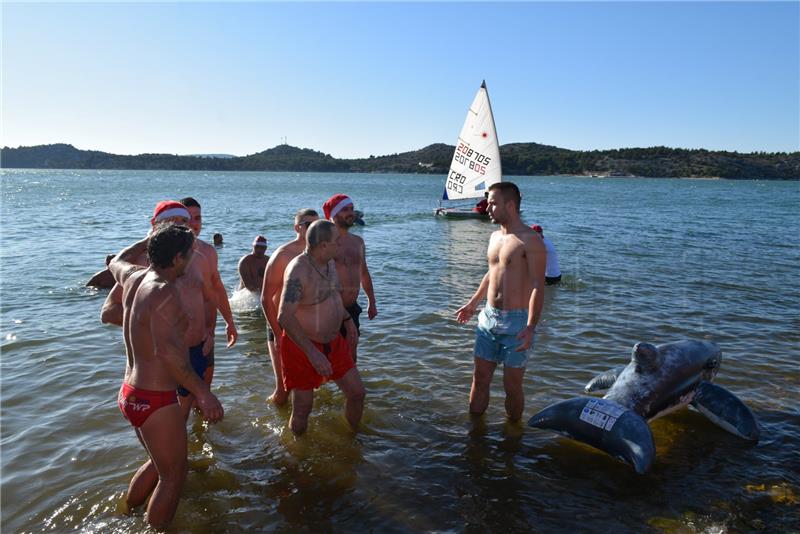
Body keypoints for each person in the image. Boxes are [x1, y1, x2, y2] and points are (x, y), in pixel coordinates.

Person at [109, 223, 224, 530]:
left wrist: (147, 241)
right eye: (189, 254)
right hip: (155, 399)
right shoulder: (164, 292)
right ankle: (154, 528)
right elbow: (170, 356)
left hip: (130, 392)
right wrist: (204, 393)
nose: (191, 259)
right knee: (173, 477)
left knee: (160, 466)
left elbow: (116, 259)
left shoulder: (134, 277)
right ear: (177, 258)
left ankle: (127, 514)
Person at [455, 182, 547, 421]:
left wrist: (530, 327)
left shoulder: (531, 240)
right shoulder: (495, 236)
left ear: (510, 205)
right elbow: (492, 273)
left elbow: (538, 285)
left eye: (493, 203)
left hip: (517, 323)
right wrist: (473, 303)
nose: (487, 208)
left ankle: (513, 434)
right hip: (488, 318)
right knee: (480, 378)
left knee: (512, 385)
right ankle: (474, 434)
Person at [277, 219, 365, 435]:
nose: (341, 245)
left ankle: (352, 437)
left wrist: (347, 319)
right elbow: (284, 316)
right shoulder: (299, 270)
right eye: (337, 241)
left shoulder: (329, 263)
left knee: (357, 393)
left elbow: (332, 296)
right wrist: (313, 353)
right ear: (323, 245)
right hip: (303, 346)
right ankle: (297, 452)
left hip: (334, 342)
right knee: (303, 408)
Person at [179, 197, 238, 394]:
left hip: (206, 336)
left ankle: (200, 425)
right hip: (176, 340)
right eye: (188, 219)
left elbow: (217, 289)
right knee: (178, 399)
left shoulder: (208, 252)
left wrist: (229, 321)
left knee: (204, 389)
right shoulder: (165, 255)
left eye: (198, 218)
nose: (194, 224)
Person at [261, 208, 319, 405]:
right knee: (283, 391)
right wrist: (277, 335)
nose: (313, 229)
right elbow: (265, 298)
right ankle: (268, 427)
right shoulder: (283, 255)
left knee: (309, 386)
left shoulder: (320, 254)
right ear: (297, 228)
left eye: (317, 224)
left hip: (307, 329)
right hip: (282, 328)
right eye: (308, 225)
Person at [323, 194, 377, 362]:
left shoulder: (358, 242)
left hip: (352, 307)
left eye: (352, 209)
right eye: (345, 210)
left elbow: (364, 273)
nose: (351, 213)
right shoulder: (324, 242)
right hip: (328, 311)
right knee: (327, 358)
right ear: (334, 214)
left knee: (351, 357)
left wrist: (372, 302)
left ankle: (349, 388)